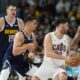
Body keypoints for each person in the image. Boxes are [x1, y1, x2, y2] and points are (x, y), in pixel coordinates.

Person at [0, 3, 24, 71]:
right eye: (11, 10)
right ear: (7, 10)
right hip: (2, 51)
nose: (13, 11)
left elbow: (24, 37)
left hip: (14, 52)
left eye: (15, 10)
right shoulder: (1, 21)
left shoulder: (20, 22)